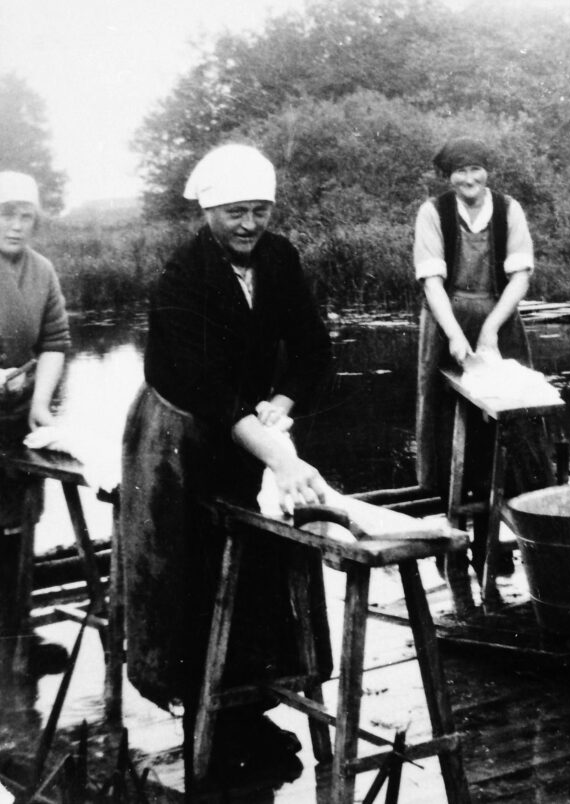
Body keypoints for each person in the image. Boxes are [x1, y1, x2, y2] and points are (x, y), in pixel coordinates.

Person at [120, 144, 333, 783]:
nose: (249, 224)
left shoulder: (280, 257)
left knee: (262, 571)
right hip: (179, 439)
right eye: (236, 212)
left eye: (260, 210)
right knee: (191, 574)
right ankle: (204, 723)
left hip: (252, 429)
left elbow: (311, 345)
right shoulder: (183, 277)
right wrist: (276, 452)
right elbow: (203, 385)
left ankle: (253, 709)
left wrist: (281, 403)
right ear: (210, 211)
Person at [413, 137, 548, 586]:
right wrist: (454, 334)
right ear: (446, 176)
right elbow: (432, 283)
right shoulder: (434, 212)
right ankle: (453, 541)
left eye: (476, 169)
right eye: (459, 172)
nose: (468, 179)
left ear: (487, 170)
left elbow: (520, 276)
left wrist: (490, 329)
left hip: (500, 320)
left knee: (508, 424)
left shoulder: (509, 209)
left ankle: (500, 545)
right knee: (448, 422)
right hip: (447, 317)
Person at [0, 171, 72, 677]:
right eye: (7, 213)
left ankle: (18, 635)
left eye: (27, 216)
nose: (17, 225)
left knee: (19, 523)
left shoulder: (41, 270)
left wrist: (41, 402)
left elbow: (54, 341)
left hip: (14, 415)